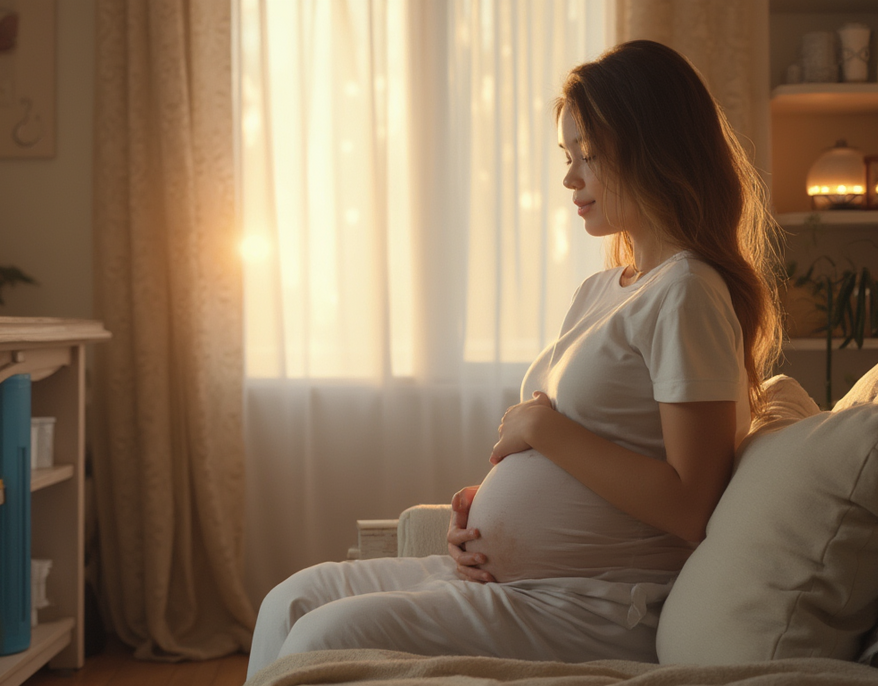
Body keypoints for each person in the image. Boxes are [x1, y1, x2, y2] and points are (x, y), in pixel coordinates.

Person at [246, 39, 782, 680]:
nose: (570, 178)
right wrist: (483, 512)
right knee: (290, 602)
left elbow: (693, 504)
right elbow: (596, 448)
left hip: (597, 607)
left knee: (325, 632)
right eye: (567, 156)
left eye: (589, 155)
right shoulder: (602, 289)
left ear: (653, 151)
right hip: (512, 584)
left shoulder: (687, 292)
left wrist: (543, 431)